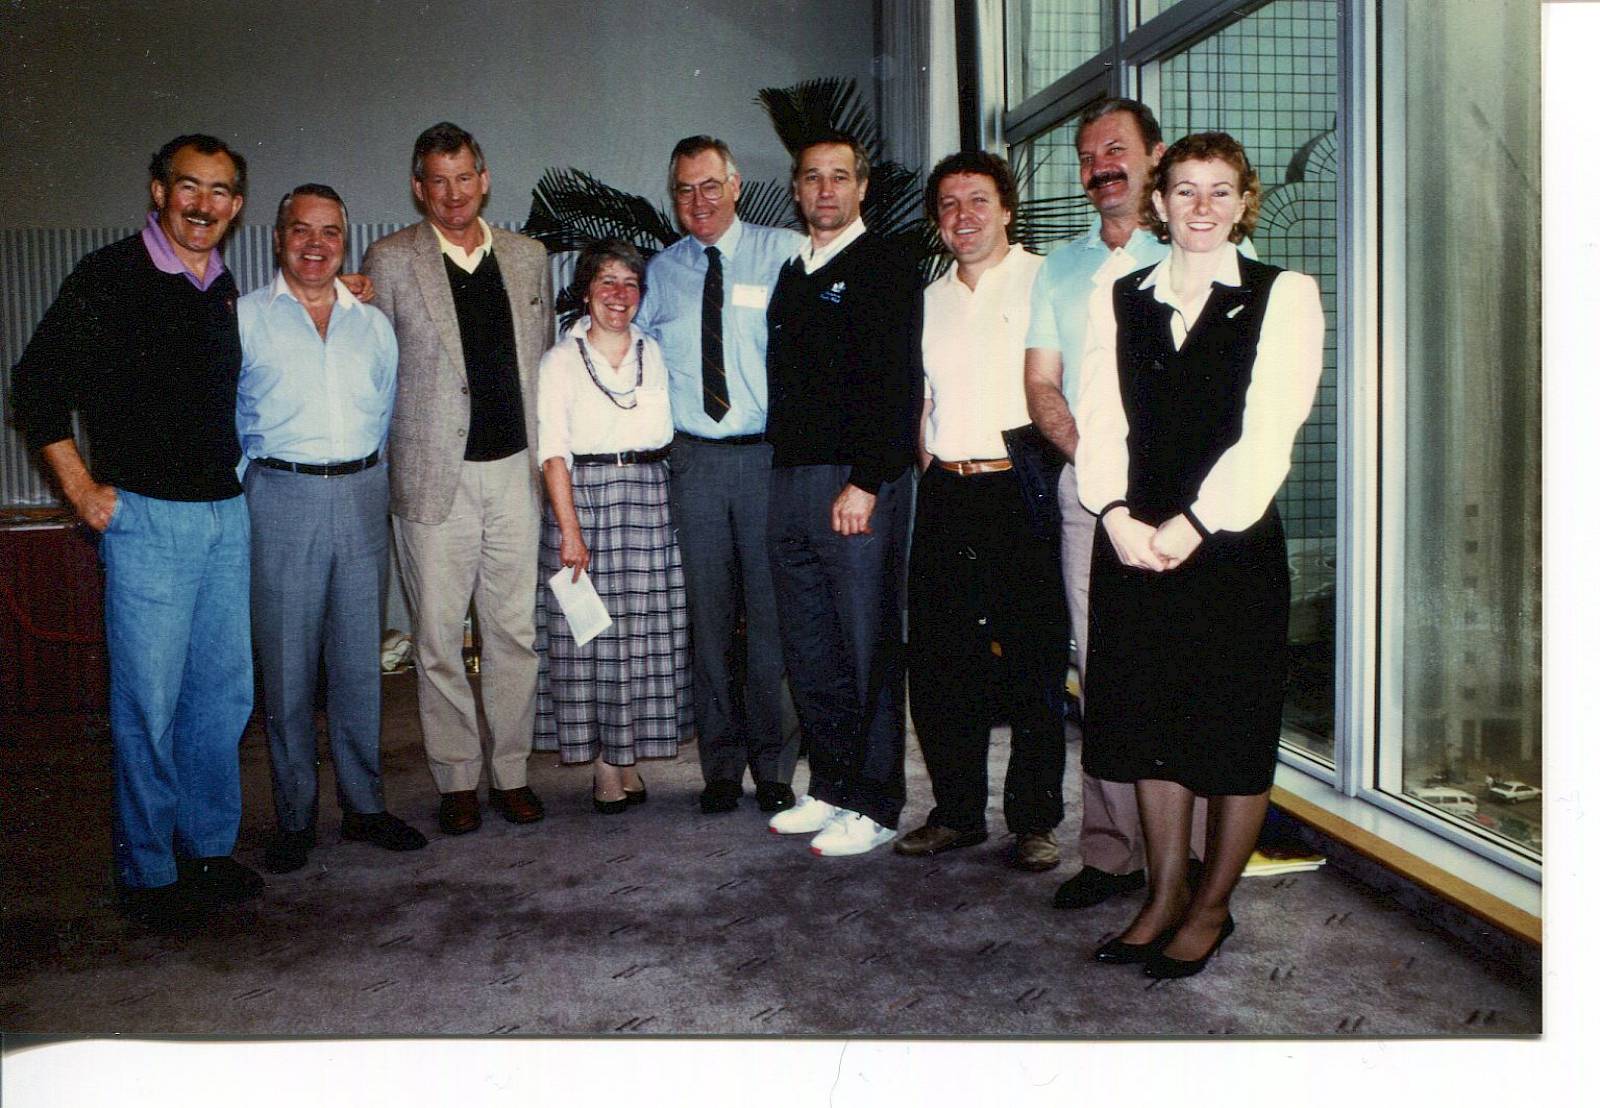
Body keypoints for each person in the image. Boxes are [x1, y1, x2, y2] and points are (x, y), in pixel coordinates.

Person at [1075, 132, 1324, 978]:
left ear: (1244, 201)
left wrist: (1193, 524)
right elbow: (1099, 418)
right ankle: (1162, 897)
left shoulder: (1284, 295)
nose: (1203, 207)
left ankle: (1212, 908)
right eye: (1185, 190)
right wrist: (1114, 515)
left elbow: (1270, 433)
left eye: (1221, 190)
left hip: (1229, 545)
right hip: (1135, 540)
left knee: (1231, 733)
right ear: (1159, 201)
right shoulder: (1121, 293)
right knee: (1150, 727)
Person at [10, 134, 262, 925]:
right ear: (159, 191)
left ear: (236, 206)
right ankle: (149, 874)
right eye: (189, 186)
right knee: (148, 706)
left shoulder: (221, 286)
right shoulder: (109, 277)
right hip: (147, 521)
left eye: (219, 191)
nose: (202, 205)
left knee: (221, 698)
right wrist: (81, 491)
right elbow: (35, 385)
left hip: (224, 515)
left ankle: (207, 848)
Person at [1024, 97, 1212, 909]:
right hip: (1091, 494)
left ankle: (1194, 853)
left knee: (1186, 664)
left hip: (1189, 502)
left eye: (1117, 149)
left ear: (1155, 157)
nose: (1102, 165)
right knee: (1100, 667)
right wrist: (1097, 470)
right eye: (1089, 154)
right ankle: (1111, 851)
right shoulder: (1059, 269)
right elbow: (1042, 383)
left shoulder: (1196, 246)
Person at [362, 122, 554, 836]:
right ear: (419, 188)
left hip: (514, 475)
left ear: (485, 179)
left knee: (513, 634)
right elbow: (372, 370)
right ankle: (456, 778)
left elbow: (542, 358)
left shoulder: (529, 257)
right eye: (438, 181)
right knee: (439, 639)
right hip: (432, 479)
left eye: (464, 177)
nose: (453, 194)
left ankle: (511, 772)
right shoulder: (389, 261)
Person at [237, 184, 427, 874]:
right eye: (301, 230)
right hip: (280, 495)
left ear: (345, 242)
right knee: (286, 670)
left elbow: (385, 412)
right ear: (278, 237)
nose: (315, 245)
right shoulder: (245, 319)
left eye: (329, 233)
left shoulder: (372, 325)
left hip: (360, 493)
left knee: (357, 664)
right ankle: (294, 816)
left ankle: (365, 806)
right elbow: (225, 420)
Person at [896, 152, 1071, 872]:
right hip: (948, 490)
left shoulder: (1046, 280)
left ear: (1006, 209)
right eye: (948, 204)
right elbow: (922, 396)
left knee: (1034, 662)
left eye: (977, 200)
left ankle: (1033, 820)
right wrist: (929, 462)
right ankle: (957, 813)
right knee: (942, 662)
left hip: (1020, 484)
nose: (962, 216)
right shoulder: (929, 298)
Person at [634, 136, 805, 816]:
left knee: (771, 619)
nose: (698, 200)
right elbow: (621, 346)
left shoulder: (784, 251)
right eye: (684, 189)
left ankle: (776, 766)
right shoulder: (661, 272)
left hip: (767, 460)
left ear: (735, 185)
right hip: (695, 462)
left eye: (710, 185)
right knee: (706, 622)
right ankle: (720, 767)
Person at [764, 131, 923, 857]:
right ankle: (831, 786)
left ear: (862, 188)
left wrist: (866, 481)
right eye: (811, 177)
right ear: (796, 190)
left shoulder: (886, 265)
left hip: (855, 483)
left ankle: (877, 802)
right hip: (791, 480)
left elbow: (898, 384)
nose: (824, 189)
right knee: (811, 647)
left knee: (866, 647)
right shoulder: (794, 271)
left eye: (839, 176)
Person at [533, 239, 692, 811]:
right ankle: (604, 763)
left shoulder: (656, 351)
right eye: (607, 282)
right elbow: (553, 452)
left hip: (650, 499)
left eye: (630, 284)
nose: (619, 295)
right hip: (586, 502)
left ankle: (627, 757)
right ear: (586, 291)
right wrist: (570, 530)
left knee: (645, 636)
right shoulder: (560, 361)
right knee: (592, 638)